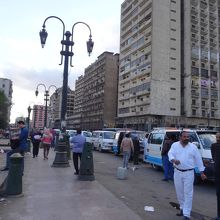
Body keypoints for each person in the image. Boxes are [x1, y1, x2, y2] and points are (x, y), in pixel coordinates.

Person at [168, 131, 206, 220]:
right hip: (177, 172)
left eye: (187, 137)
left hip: (189, 173)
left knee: (188, 193)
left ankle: (186, 214)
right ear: (180, 137)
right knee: (179, 192)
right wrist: (173, 160)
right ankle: (182, 208)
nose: (186, 138)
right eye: (184, 137)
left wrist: (202, 172)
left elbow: (198, 159)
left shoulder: (193, 147)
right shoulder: (175, 145)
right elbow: (170, 154)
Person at [211, 132, 220, 220]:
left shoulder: (214, 146)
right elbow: (214, 158)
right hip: (217, 174)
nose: (218, 138)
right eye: (217, 137)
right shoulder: (214, 146)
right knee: (218, 195)